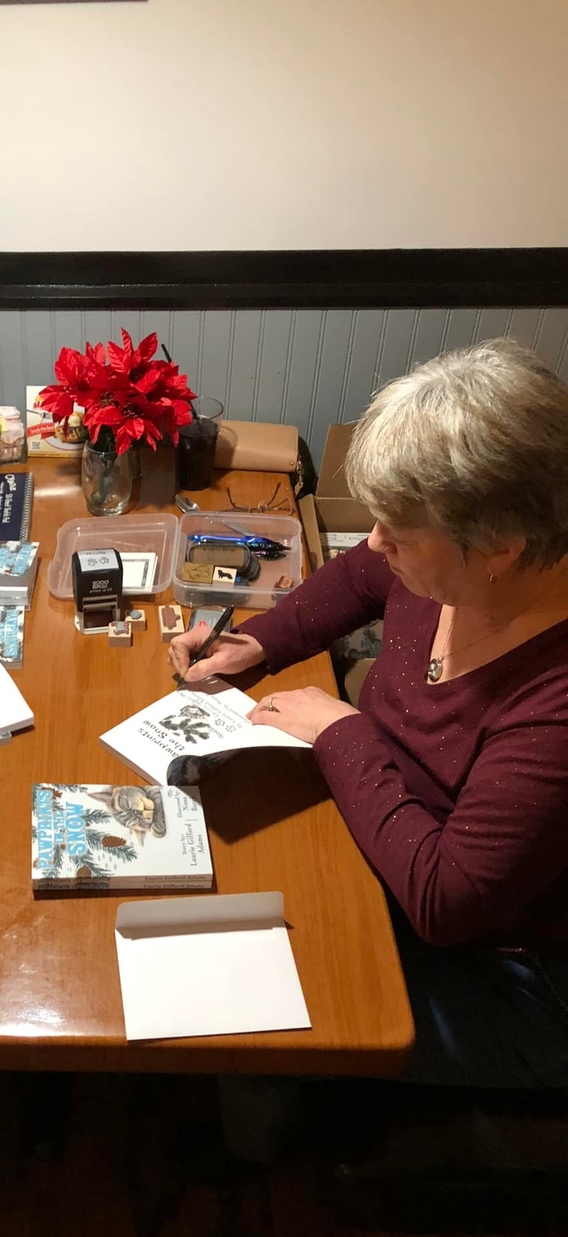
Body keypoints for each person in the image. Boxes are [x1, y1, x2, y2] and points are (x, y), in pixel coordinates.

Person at [169, 338, 568, 1095]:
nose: (373, 541)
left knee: (239, 1012)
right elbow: (357, 577)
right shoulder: (446, 561)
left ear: (501, 550)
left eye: (397, 532)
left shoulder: (552, 701)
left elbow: (447, 902)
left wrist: (339, 730)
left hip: (504, 965)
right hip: (386, 833)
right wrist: (255, 642)